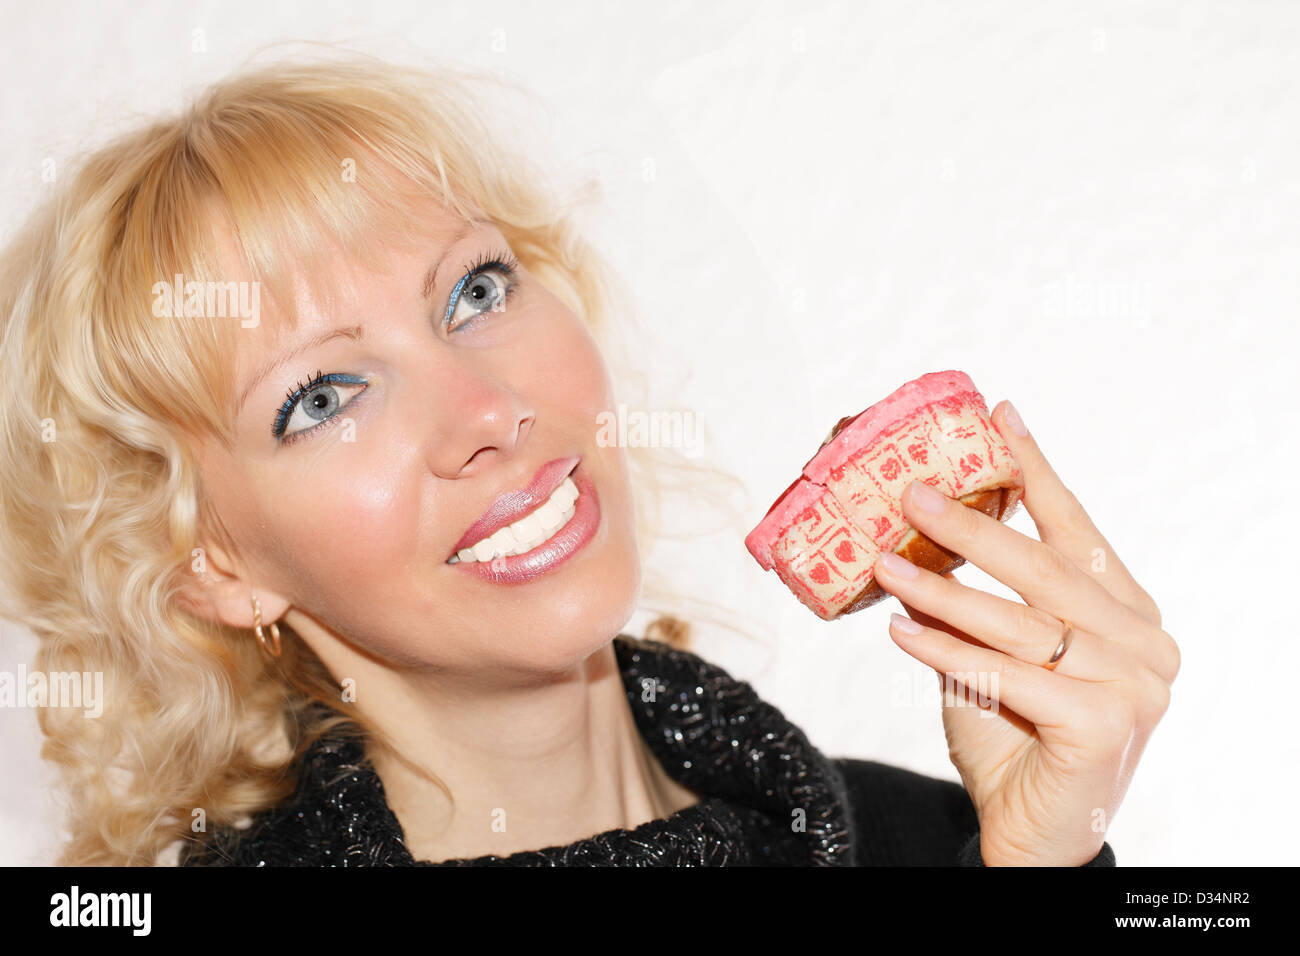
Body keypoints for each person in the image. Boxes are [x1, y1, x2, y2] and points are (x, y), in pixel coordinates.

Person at [0, 54, 1176, 867]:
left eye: (473, 291)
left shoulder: (927, 838)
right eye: (321, 395)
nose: (486, 406)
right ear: (209, 563)